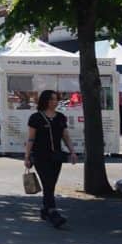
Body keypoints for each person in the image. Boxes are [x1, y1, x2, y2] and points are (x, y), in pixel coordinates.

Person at [24, 90, 78, 228]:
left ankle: (45, 209)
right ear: (46, 101)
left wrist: (72, 151)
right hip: (41, 156)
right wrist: (27, 156)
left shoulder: (60, 117)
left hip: (56, 156)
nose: (55, 102)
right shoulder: (35, 118)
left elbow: (65, 136)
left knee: (51, 184)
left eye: (56, 99)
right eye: (52, 99)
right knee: (47, 182)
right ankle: (53, 212)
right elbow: (31, 138)